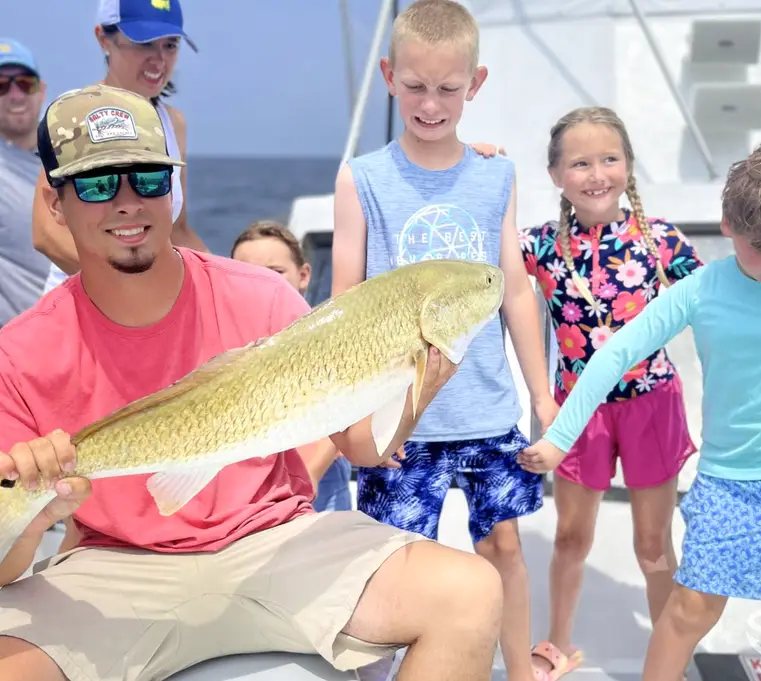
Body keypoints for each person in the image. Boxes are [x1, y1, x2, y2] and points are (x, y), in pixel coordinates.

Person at [0, 83, 504, 681]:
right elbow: (5, 566)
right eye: (96, 184)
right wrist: (40, 512)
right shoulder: (18, 352)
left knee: (470, 593)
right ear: (56, 203)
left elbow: (362, 446)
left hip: (274, 542)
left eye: (149, 179)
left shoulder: (262, 295)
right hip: (115, 565)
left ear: (173, 189)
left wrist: (422, 383)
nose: (128, 202)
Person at [520, 141, 761, 678]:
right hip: (730, 486)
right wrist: (559, 439)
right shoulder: (699, 290)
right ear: (729, 225)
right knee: (688, 611)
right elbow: (614, 354)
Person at [331, 2, 557, 680]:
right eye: (415, 86)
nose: (430, 104)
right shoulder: (360, 179)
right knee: (393, 565)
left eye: (448, 89)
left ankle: (520, 673)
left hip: (487, 412)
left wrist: (541, 395)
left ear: (474, 84)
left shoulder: (497, 175)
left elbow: (515, 290)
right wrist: (365, 418)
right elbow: (345, 307)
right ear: (388, 77)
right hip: (401, 421)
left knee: (505, 551)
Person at [518, 106, 702, 679]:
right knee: (571, 538)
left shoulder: (662, 239)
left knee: (653, 545)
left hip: (652, 405)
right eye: (580, 164)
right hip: (578, 412)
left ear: (628, 166)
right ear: (555, 175)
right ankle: (558, 644)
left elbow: (725, 292)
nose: (596, 175)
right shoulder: (538, 246)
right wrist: (479, 166)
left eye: (609, 159)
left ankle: (669, 658)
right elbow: (478, 253)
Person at [33, 0, 208, 294]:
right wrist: (135, 291)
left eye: (170, 45)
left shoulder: (173, 122)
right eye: (144, 43)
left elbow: (177, 231)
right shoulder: (74, 117)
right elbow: (46, 234)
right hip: (85, 303)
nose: (159, 60)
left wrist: (231, 278)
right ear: (103, 38)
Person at [231, 219, 354, 512]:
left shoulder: (328, 337)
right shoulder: (224, 341)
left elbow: (348, 409)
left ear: (304, 275)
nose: (262, 282)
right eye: (247, 273)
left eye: (275, 272)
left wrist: (311, 474)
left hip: (320, 476)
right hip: (247, 480)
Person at [0, 38, 52, 326]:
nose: (15, 95)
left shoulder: (70, 162)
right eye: (1, 86)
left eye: (25, 83)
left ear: (41, 91)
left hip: (80, 336)